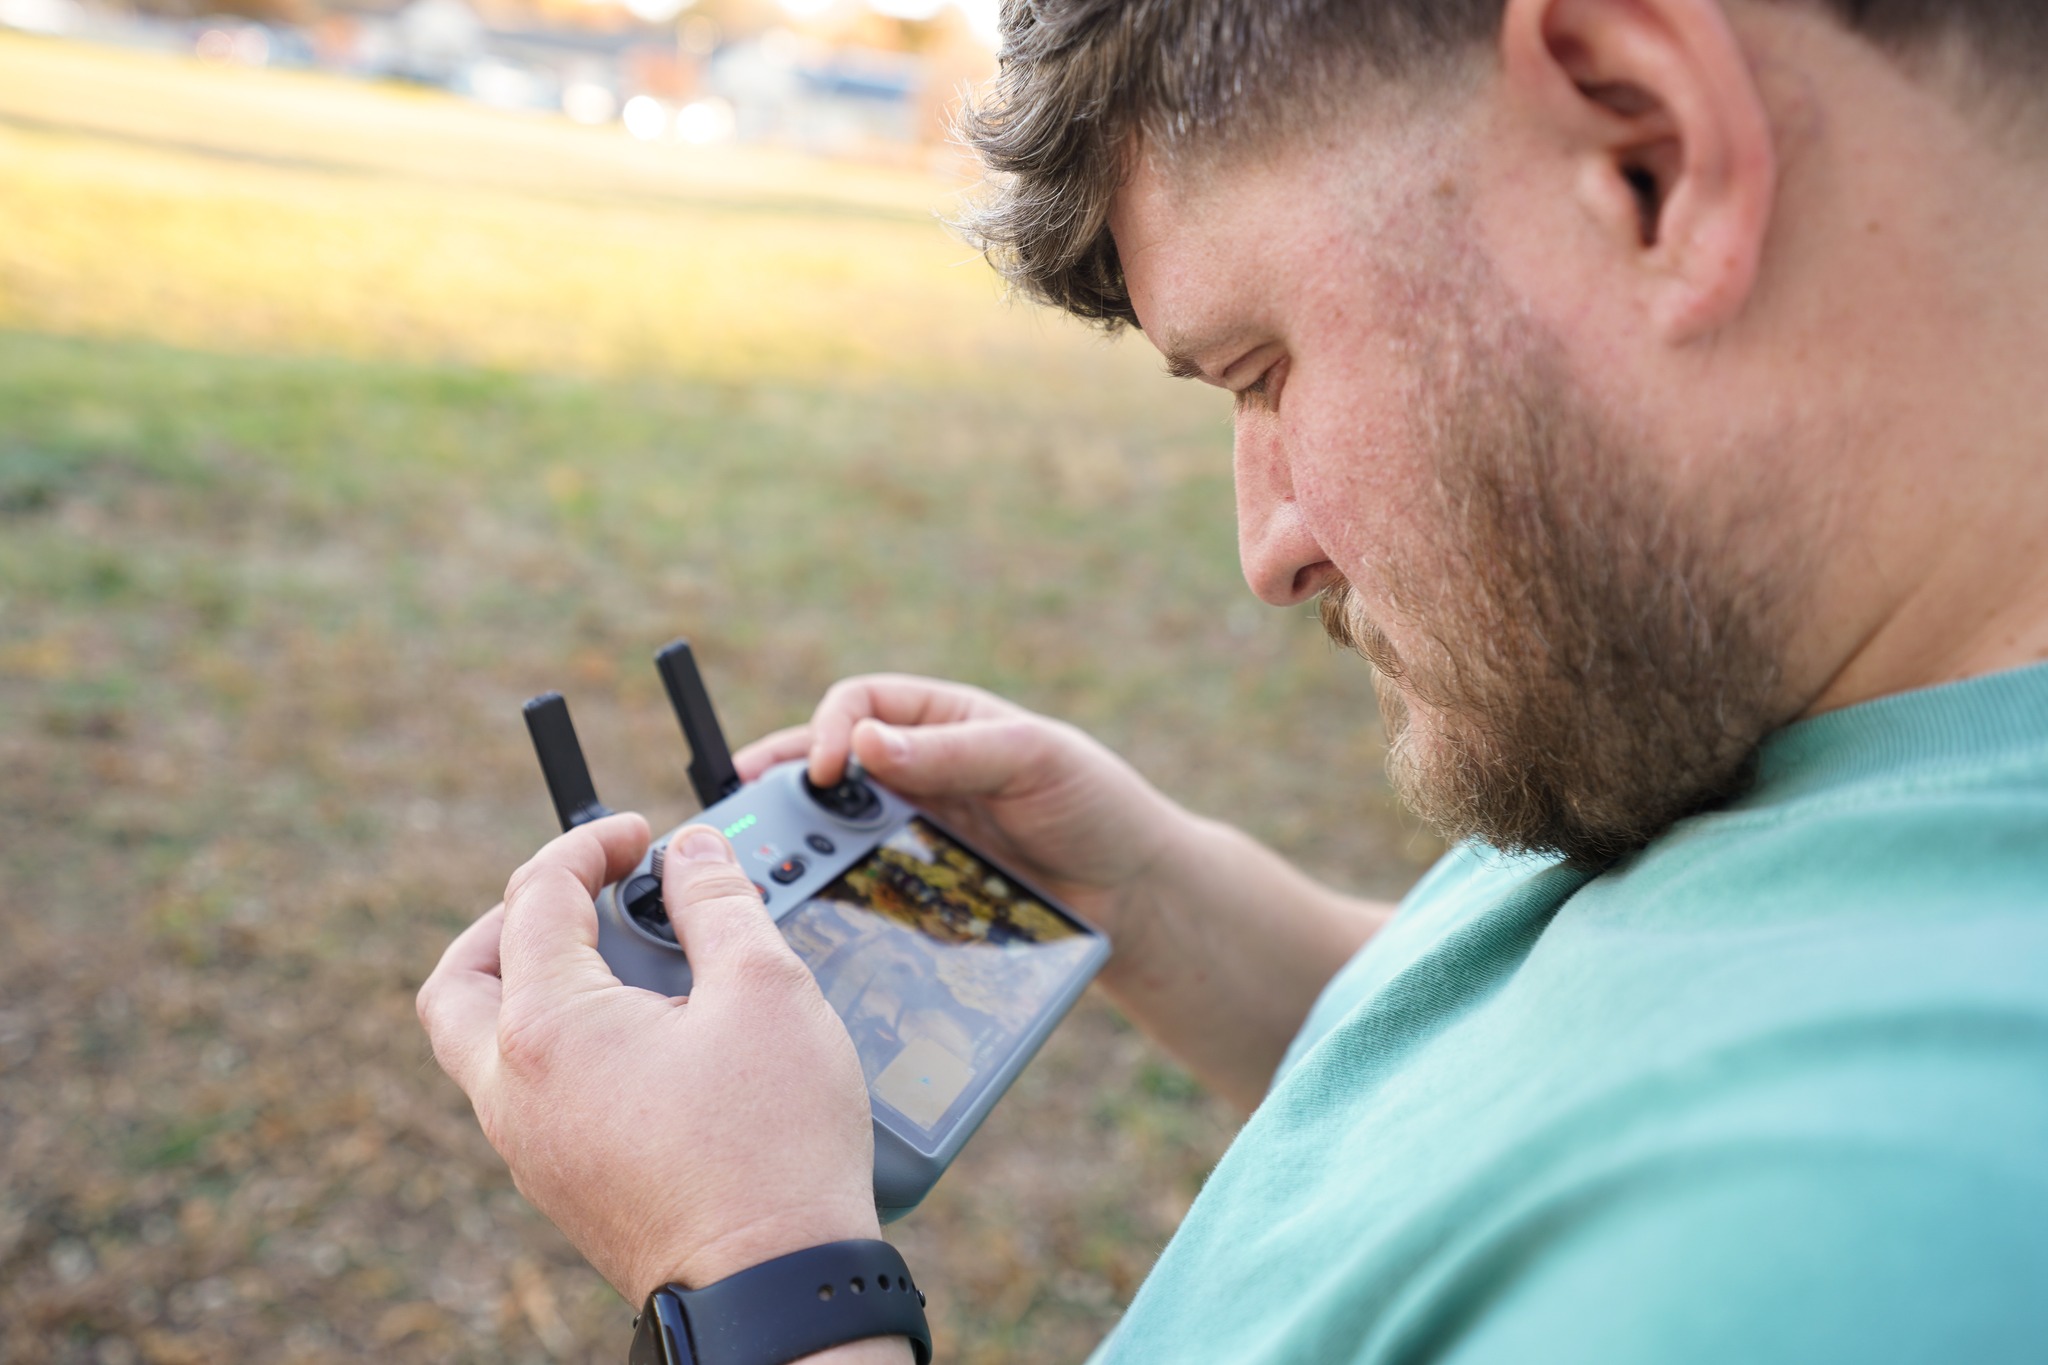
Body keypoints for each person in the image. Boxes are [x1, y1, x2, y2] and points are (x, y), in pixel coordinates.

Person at [416, 0, 2048, 1359]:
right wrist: (1147, 885)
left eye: (1264, 371)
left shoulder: (1876, 1238)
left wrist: (761, 1265)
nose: (1267, 549)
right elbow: (1522, 1067)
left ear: (1646, 152)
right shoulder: (1798, 700)